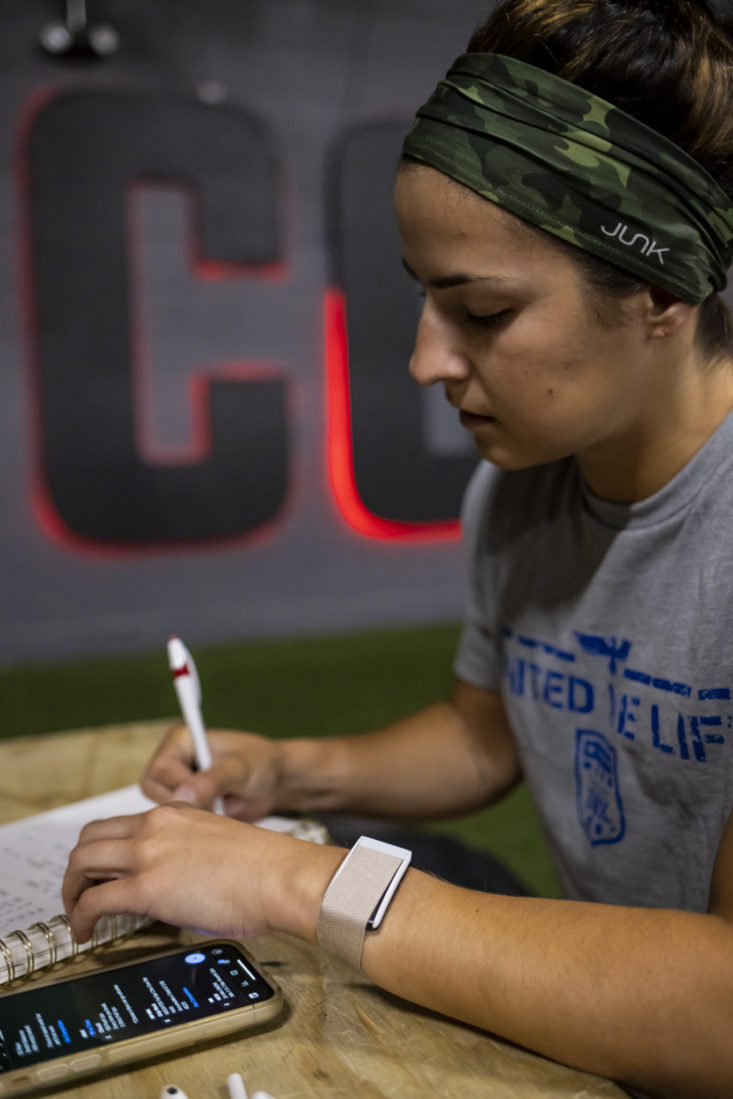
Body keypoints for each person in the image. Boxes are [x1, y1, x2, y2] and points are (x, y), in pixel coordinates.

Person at [62, 1, 733, 1096]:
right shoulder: (522, 491)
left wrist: (294, 880)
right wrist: (283, 771)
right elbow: (487, 735)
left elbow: (720, 1010)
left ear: (659, 292)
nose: (427, 361)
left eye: (480, 310)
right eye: (426, 298)